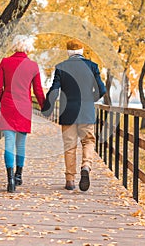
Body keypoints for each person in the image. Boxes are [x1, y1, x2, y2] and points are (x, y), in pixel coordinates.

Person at [42, 39, 106, 191]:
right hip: (86, 111)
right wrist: (91, 100)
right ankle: (86, 165)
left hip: (68, 112)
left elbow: (55, 90)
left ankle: (70, 180)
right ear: (82, 51)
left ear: (68, 52)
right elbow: (101, 89)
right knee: (88, 141)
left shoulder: (61, 67)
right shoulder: (92, 66)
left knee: (70, 146)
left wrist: (47, 109)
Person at [0, 35, 45, 193]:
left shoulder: (5, 62)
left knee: (8, 142)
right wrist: (44, 106)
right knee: (20, 143)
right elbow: (37, 90)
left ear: (14, 45)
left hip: (9, 104)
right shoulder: (33, 66)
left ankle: (9, 180)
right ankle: (18, 176)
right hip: (24, 106)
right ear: (28, 48)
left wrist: (3, 98)